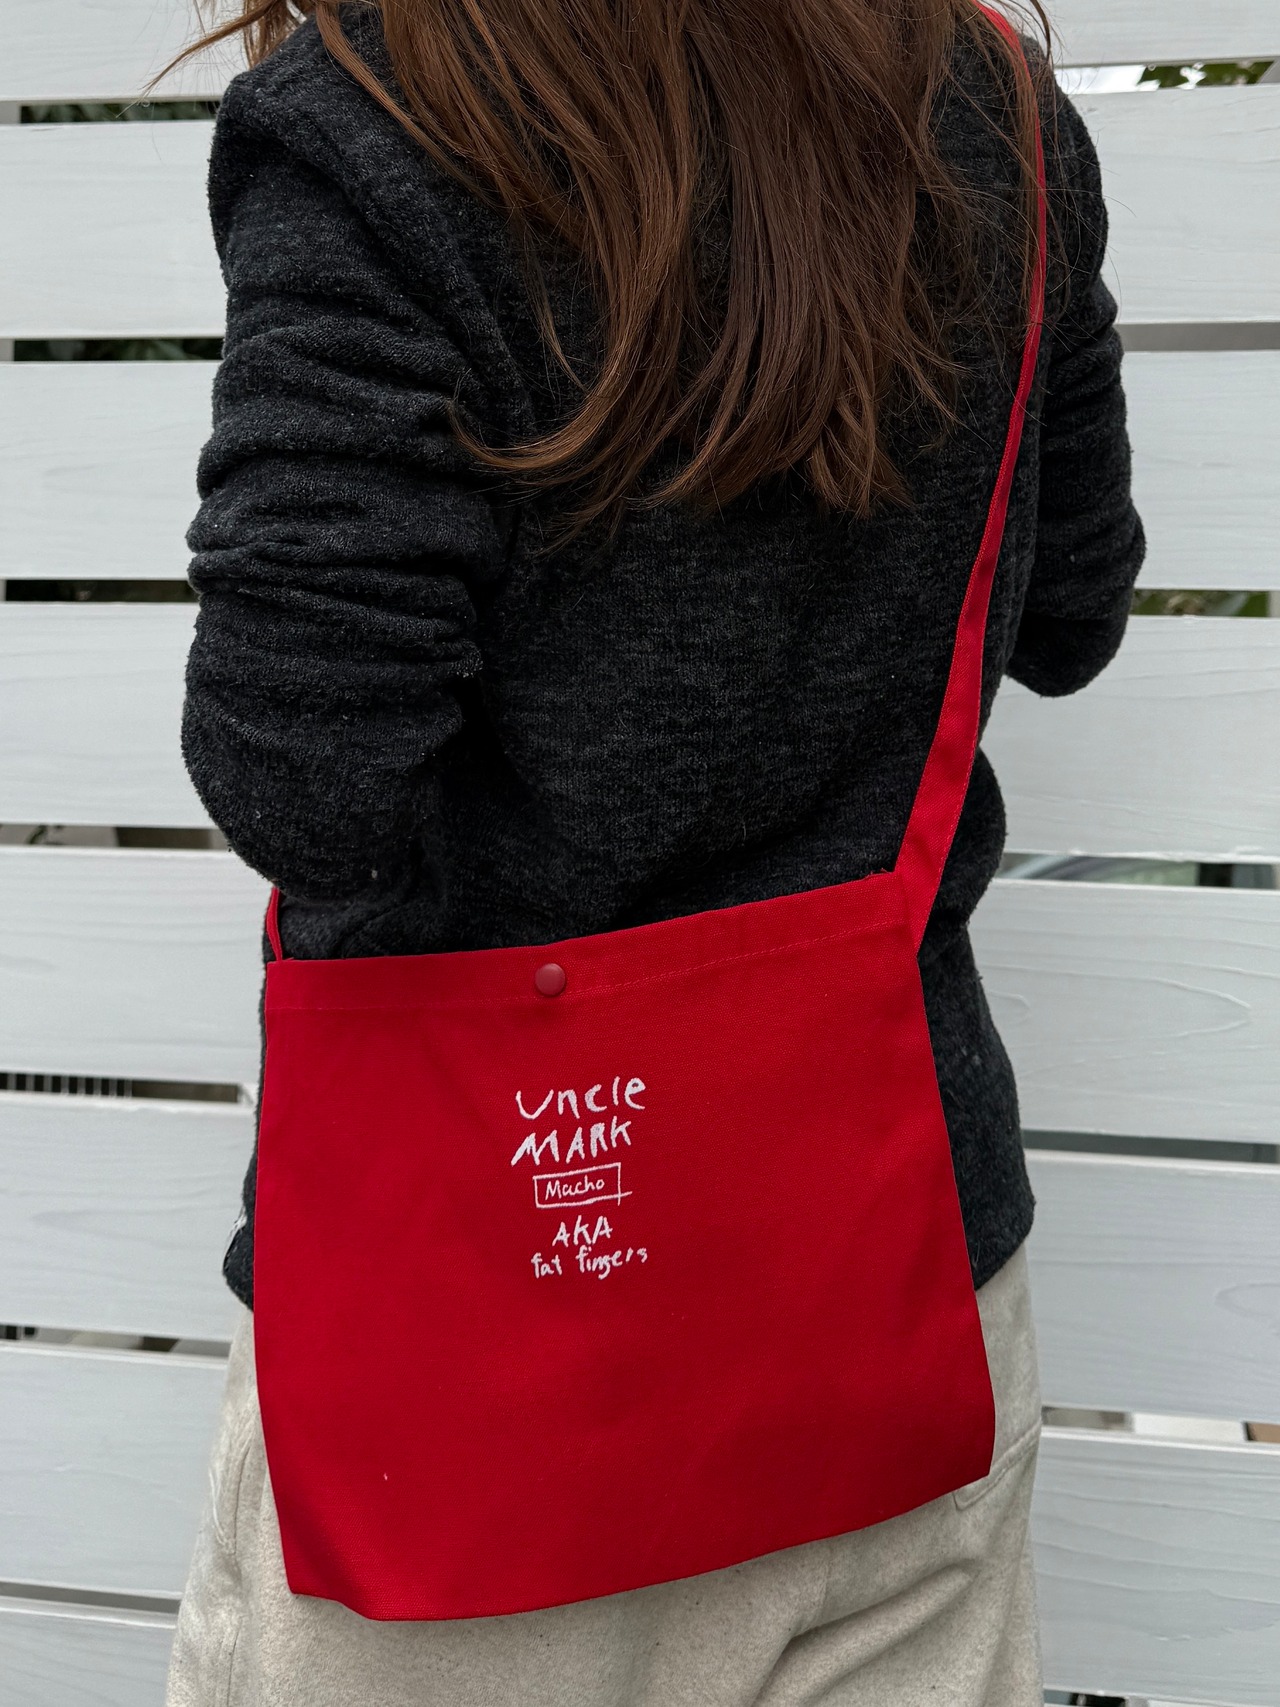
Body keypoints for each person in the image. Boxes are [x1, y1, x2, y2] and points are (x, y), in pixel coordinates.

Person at [165, 1, 1144, 1702]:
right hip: (891, 1290)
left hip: (486, 1368)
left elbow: (306, 781)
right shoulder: (990, 100)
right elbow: (1069, 613)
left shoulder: (384, 113)